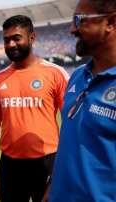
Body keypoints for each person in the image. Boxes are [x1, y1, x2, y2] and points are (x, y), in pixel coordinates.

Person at [0, 15, 69, 202]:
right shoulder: (0, 79)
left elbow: (71, 122)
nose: (10, 44)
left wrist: (63, 166)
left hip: (46, 161)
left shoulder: (55, 73)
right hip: (10, 165)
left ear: (32, 38)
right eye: (6, 39)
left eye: (16, 38)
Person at [47, 0, 116, 201]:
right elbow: (72, 141)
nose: (72, 30)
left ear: (110, 22)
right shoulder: (77, 76)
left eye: (80, 20)